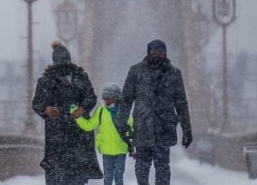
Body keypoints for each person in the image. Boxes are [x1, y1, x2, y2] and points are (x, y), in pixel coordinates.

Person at [114, 39, 192, 185]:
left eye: (160, 52)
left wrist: (187, 129)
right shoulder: (136, 71)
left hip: (164, 129)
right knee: (142, 168)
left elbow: (181, 103)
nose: (158, 55)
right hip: (143, 127)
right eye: (155, 52)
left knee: (162, 168)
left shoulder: (174, 73)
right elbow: (126, 99)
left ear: (165, 54)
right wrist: (121, 122)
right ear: (149, 53)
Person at [32, 41, 103, 185]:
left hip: (77, 130)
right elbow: (37, 103)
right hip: (58, 133)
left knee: (76, 174)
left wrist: (82, 108)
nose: (63, 66)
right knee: (58, 174)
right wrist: (46, 109)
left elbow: (91, 97)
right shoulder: (45, 81)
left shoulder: (81, 77)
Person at [74, 82, 134, 185]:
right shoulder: (101, 111)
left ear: (115, 98)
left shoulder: (123, 111)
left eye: (109, 98)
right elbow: (89, 125)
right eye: (105, 98)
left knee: (119, 177)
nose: (106, 101)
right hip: (106, 151)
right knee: (108, 177)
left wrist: (130, 136)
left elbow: (131, 129)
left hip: (120, 150)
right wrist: (78, 118)